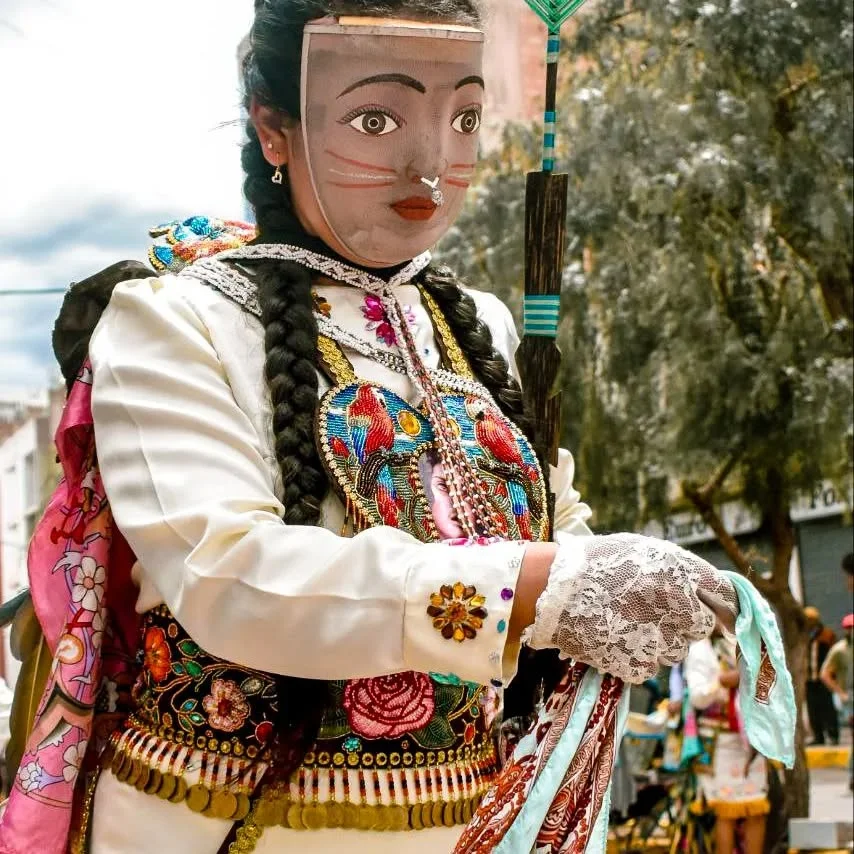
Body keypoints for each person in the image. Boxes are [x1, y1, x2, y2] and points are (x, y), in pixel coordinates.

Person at [0, 3, 739, 852]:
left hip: (474, 821)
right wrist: (541, 589)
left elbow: (550, 520)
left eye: (463, 117)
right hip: (222, 827)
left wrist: (617, 574)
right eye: (377, 119)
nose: (430, 164)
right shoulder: (173, 320)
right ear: (273, 129)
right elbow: (229, 576)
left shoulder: (479, 325)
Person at [685, 635, 768, 854]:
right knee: (726, 811)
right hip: (720, 740)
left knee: (757, 808)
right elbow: (697, 697)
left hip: (753, 739)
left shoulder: (747, 637)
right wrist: (721, 682)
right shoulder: (701, 648)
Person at [821, 614, 854, 792]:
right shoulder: (839, 650)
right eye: (849, 628)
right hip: (850, 698)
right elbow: (825, 674)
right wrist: (840, 693)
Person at [804, 606, 839, 745]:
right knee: (813, 710)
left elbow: (834, 656)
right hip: (810, 680)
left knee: (828, 708)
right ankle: (818, 737)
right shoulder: (804, 636)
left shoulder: (826, 634)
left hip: (824, 679)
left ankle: (833, 735)